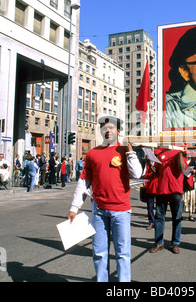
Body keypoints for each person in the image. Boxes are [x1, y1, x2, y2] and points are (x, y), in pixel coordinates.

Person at [66, 115, 142, 282]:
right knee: (99, 253)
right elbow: (84, 181)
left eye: (111, 128)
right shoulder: (93, 153)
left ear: (118, 131)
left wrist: (130, 153)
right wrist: (74, 207)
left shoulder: (124, 151)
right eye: (105, 128)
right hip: (99, 211)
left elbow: (137, 174)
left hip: (121, 211)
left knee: (122, 254)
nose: (108, 131)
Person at [149, 147, 188, 254]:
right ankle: (159, 243)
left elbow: (182, 169)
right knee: (159, 218)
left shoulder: (180, 153)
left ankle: (175, 243)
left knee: (177, 217)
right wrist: (151, 166)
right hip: (161, 190)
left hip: (175, 191)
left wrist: (180, 154)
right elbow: (156, 172)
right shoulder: (161, 153)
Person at [142, 158, 158, 230]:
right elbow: (144, 175)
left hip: (158, 187)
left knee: (159, 207)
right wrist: (151, 175)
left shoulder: (158, 164)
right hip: (150, 187)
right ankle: (151, 222)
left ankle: (158, 222)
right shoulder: (147, 165)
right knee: (150, 207)